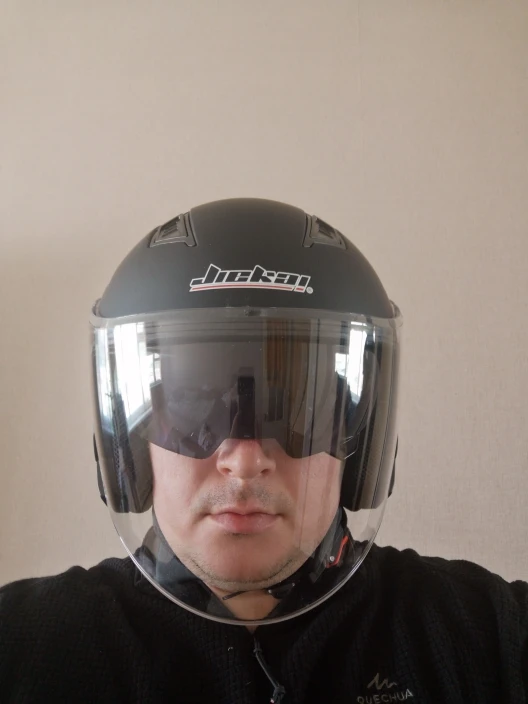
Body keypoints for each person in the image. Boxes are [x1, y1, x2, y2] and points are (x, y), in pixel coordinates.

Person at [0, 197, 526, 703]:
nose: (246, 461)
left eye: (297, 405)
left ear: (358, 445)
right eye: (194, 404)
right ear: (130, 447)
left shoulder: (485, 636)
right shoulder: (26, 645)